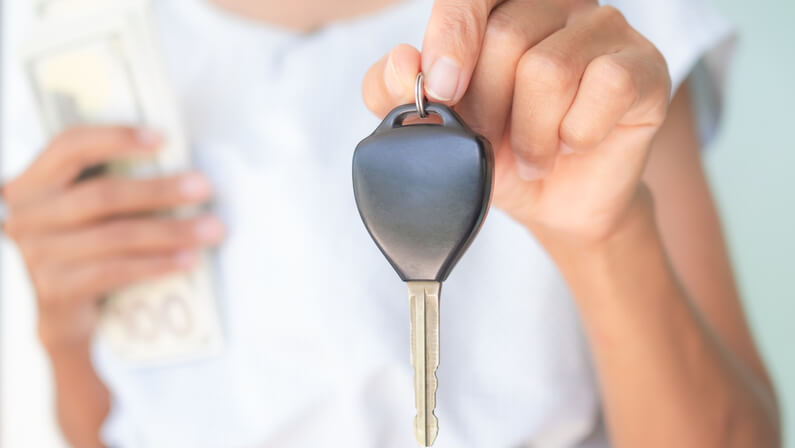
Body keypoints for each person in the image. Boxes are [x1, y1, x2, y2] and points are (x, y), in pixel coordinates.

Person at [0, 0, 781, 447]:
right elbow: (106, 426)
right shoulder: (65, 35)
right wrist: (62, 333)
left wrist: (603, 238)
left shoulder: (577, 25)